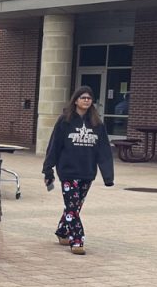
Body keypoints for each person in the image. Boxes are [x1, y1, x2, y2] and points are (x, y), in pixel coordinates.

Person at [42, 86, 114, 255]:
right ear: (75, 100)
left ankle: (62, 231)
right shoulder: (64, 121)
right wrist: (48, 170)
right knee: (73, 207)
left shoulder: (97, 124)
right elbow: (54, 146)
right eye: (83, 98)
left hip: (87, 173)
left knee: (74, 207)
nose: (87, 100)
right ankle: (77, 240)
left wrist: (108, 176)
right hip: (68, 172)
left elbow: (104, 151)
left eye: (89, 98)